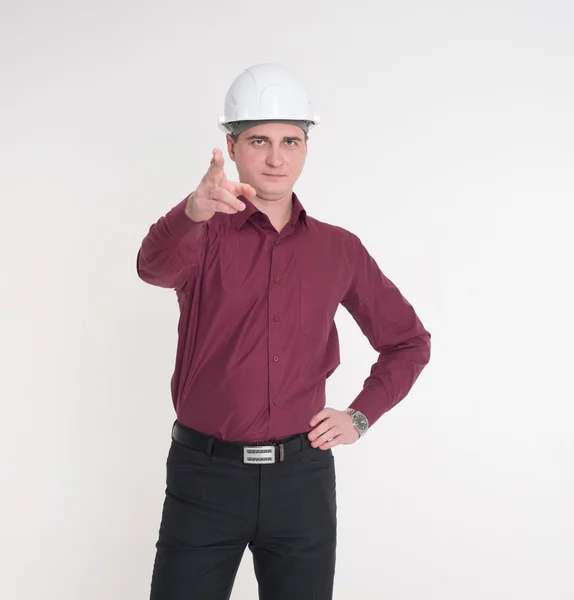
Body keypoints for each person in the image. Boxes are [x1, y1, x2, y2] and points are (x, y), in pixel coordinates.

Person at [137, 62, 431, 600]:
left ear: (306, 147)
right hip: (205, 479)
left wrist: (361, 415)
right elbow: (152, 269)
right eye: (259, 140)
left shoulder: (338, 249)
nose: (276, 157)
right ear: (231, 145)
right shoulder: (202, 234)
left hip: (301, 483)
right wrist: (192, 211)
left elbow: (409, 341)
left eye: (291, 140)